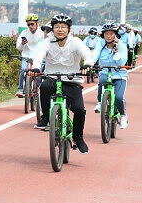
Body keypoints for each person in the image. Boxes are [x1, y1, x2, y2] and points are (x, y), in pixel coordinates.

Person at [26, 13, 97, 153]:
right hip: (52, 77)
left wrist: (87, 64)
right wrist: (36, 67)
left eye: (63, 27)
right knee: (45, 86)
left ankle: (78, 137)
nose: (60, 29)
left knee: (79, 110)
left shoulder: (75, 42)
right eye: (57, 26)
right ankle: (46, 117)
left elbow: (87, 54)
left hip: (72, 80)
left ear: (69, 29)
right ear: (52, 29)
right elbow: (39, 55)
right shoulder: (47, 42)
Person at [93, 21, 130, 129]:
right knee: (102, 80)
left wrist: (117, 50)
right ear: (103, 35)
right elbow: (95, 54)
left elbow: (121, 62)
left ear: (115, 34)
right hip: (105, 71)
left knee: (118, 97)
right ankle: (100, 102)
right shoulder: (101, 44)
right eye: (106, 34)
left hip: (119, 75)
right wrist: (89, 63)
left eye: (111, 33)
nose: (108, 36)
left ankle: (123, 115)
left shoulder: (122, 45)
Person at [16, 13, 47, 97]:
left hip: (39, 57)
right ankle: (20, 89)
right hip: (26, 56)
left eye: (32, 24)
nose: (30, 26)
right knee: (23, 69)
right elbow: (18, 48)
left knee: (40, 73)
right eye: (28, 24)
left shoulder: (42, 32)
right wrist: (22, 44)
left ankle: (39, 89)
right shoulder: (24, 33)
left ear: (37, 23)